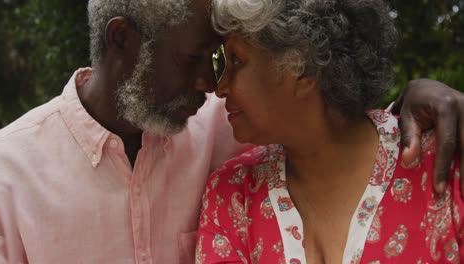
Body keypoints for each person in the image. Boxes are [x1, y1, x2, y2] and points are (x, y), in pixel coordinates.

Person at [0, 0, 462, 263]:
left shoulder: (231, 125)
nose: (212, 87)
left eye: (225, 61)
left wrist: (422, 94)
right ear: (121, 40)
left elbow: (330, 120)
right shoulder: (7, 178)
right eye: (193, 60)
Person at [196, 0, 464, 263]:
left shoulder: (442, 160)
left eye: (236, 60)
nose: (220, 88)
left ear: (300, 68)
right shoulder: (232, 195)